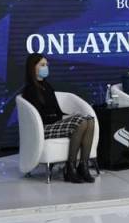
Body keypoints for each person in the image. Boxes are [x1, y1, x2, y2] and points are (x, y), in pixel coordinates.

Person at [21, 53, 97, 183]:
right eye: (42, 65)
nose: (46, 67)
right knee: (81, 122)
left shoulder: (47, 86)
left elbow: (57, 111)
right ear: (33, 67)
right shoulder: (29, 90)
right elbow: (38, 116)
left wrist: (69, 116)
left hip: (56, 123)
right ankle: (70, 168)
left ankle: (83, 166)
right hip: (43, 128)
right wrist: (64, 119)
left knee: (89, 120)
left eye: (46, 65)